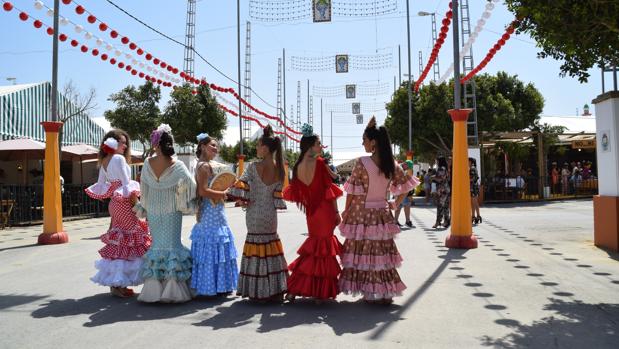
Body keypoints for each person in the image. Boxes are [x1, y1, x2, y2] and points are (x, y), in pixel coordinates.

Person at [339, 117, 419, 305]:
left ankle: (370, 292)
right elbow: (407, 187)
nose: (363, 143)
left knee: (365, 255)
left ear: (373, 142)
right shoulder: (391, 163)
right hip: (382, 214)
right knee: (381, 255)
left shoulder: (362, 162)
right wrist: (395, 204)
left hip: (361, 214)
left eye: (364, 140)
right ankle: (385, 293)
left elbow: (351, 192)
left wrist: (345, 211)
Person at [132, 124, 196, 303]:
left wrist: (144, 205)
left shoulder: (147, 163)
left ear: (156, 144)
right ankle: (173, 289)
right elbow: (191, 185)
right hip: (171, 210)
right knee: (172, 247)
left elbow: (143, 188)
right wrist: (181, 195)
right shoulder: (178, 165)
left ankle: (154, 289)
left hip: (153, 209)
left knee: (157, 246)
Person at [85, 129, 151, 298]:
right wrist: (138, 204)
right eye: (122, 142)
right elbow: (127, 184)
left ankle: (117, 285)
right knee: (132, 239)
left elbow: (101, 185)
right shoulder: (119, 159)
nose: (125, 145)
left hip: (114, 204)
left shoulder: (104, 160)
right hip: (124, 203)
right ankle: (120, 284)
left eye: (125, 142)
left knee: (119, 242)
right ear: (113, 143)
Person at [282, 124, 343, 302]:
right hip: (324, 211)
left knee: (314, 249)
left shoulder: (298, 164)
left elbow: (296, 192)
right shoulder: (319, 163)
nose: (320, 146)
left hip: (311, 213)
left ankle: (294, 289)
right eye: (318, 143)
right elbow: (329, 191)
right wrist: (337, 212)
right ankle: (319, 291)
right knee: (323, 250)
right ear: (310, 145)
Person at [229, 126, 289, 302]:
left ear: (266, 148)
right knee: (271, 247)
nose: (256, 148)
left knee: (255, 249)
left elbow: (241, 187)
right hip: (270, 215)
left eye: (258, 145)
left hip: (254, 214)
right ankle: (275, 289)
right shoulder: (280, 169)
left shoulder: (253, 167)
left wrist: (231, 186)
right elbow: (279, 193)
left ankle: (256, 291)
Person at [189, 132, 239, 297]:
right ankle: (215, 285)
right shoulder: (204, 166)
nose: (216, 149)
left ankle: (211, 285)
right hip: (211, 209)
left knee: (213, 245)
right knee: (214, 243)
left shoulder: (204, 164)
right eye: (212, 145)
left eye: (217, 146)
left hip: (212, 209)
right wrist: (223, 192)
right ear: (202, 146)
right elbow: (203, 191)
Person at [394, 161, 414, 228]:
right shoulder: (399, 168)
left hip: (400, 190)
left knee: (400, 206)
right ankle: (406, 221)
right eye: (408, 167)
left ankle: (396, 221)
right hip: (400, 190)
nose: (407, 169)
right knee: (405, 205)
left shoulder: (399, 168)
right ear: (405, 164)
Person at [432, 157, 451, 229]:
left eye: (436, 161)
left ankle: (438, 222)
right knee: (446, 206)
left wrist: (433, 178)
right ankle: (447, 221)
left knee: (440, 206)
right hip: (446, 189)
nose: (436, 162)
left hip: (441, 190)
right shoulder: (446, 168)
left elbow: (440, 179)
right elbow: (447, 178)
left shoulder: (441, 168)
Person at [469, 157, 481, 224]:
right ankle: (474, 216)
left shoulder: (472, 168)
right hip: (474, 187)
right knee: (474, 203)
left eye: (468, 161)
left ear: (471, 162)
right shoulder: (474, 168)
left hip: (473, 187)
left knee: (474, 202)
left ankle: (476, 216)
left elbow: (472, 178)